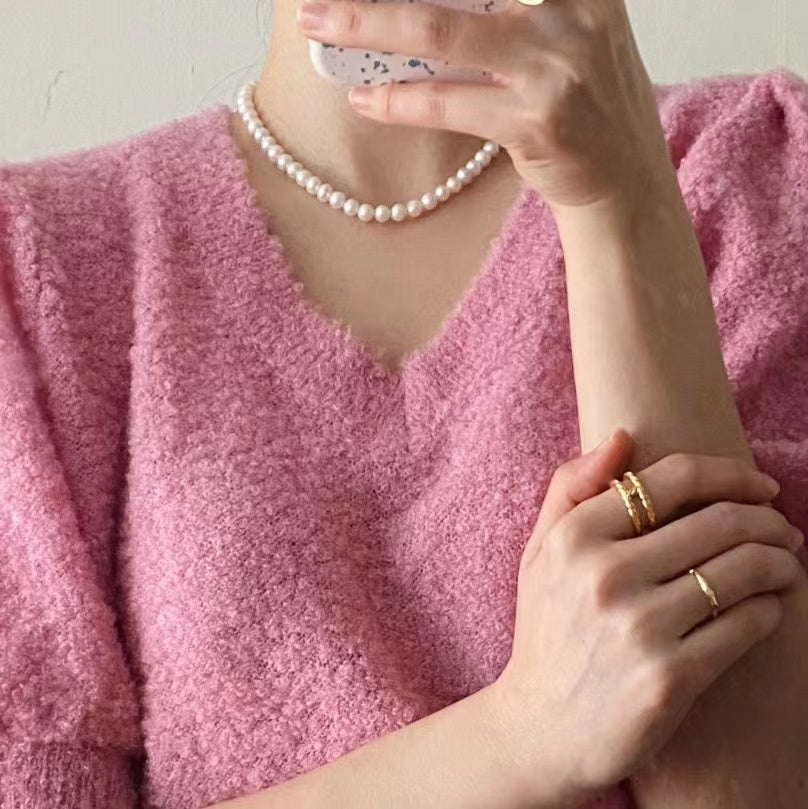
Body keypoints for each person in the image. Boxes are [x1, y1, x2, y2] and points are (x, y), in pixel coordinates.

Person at [0, 0, 806, 807]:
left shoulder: (758, 171)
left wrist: (624, 205)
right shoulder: (45, 267)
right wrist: (517, 736)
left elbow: (745, 790)